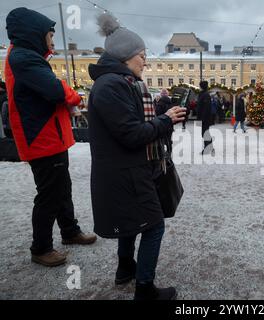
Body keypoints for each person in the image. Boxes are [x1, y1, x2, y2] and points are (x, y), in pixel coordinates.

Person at [88, 13, 186, 300]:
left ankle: (125, 269)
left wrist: (159, 119)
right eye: (142, 55)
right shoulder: (112, 85)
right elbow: (131, 135)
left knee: (134, 223)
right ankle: (145, 289)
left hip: (126, 171)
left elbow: (129, 126)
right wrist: (165, 120)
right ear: (126, 56)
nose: (145, 61)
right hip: (125, 173)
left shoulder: (117, 83)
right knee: (153, 227)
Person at [4, 7, 97, 267]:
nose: (52, 43)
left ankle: (69, 231)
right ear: (35, 33)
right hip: (41, 138)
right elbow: (56, 90)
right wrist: (74, 96)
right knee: (49, 194)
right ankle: (41, 247)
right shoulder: (24, 58)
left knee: (61, 188)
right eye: (50, 36)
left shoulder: (25, 56)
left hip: (48, 137)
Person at [197, 81, 213, 154]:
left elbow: (206, 108)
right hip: (202, 118)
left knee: (205, 133)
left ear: (202, 87)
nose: (199, 87)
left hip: (205, 118)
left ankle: (207, 148)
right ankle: (210, 147)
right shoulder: (202, 94)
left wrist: (202, 119)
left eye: (200, 86)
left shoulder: (206, 95)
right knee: (204, 133)